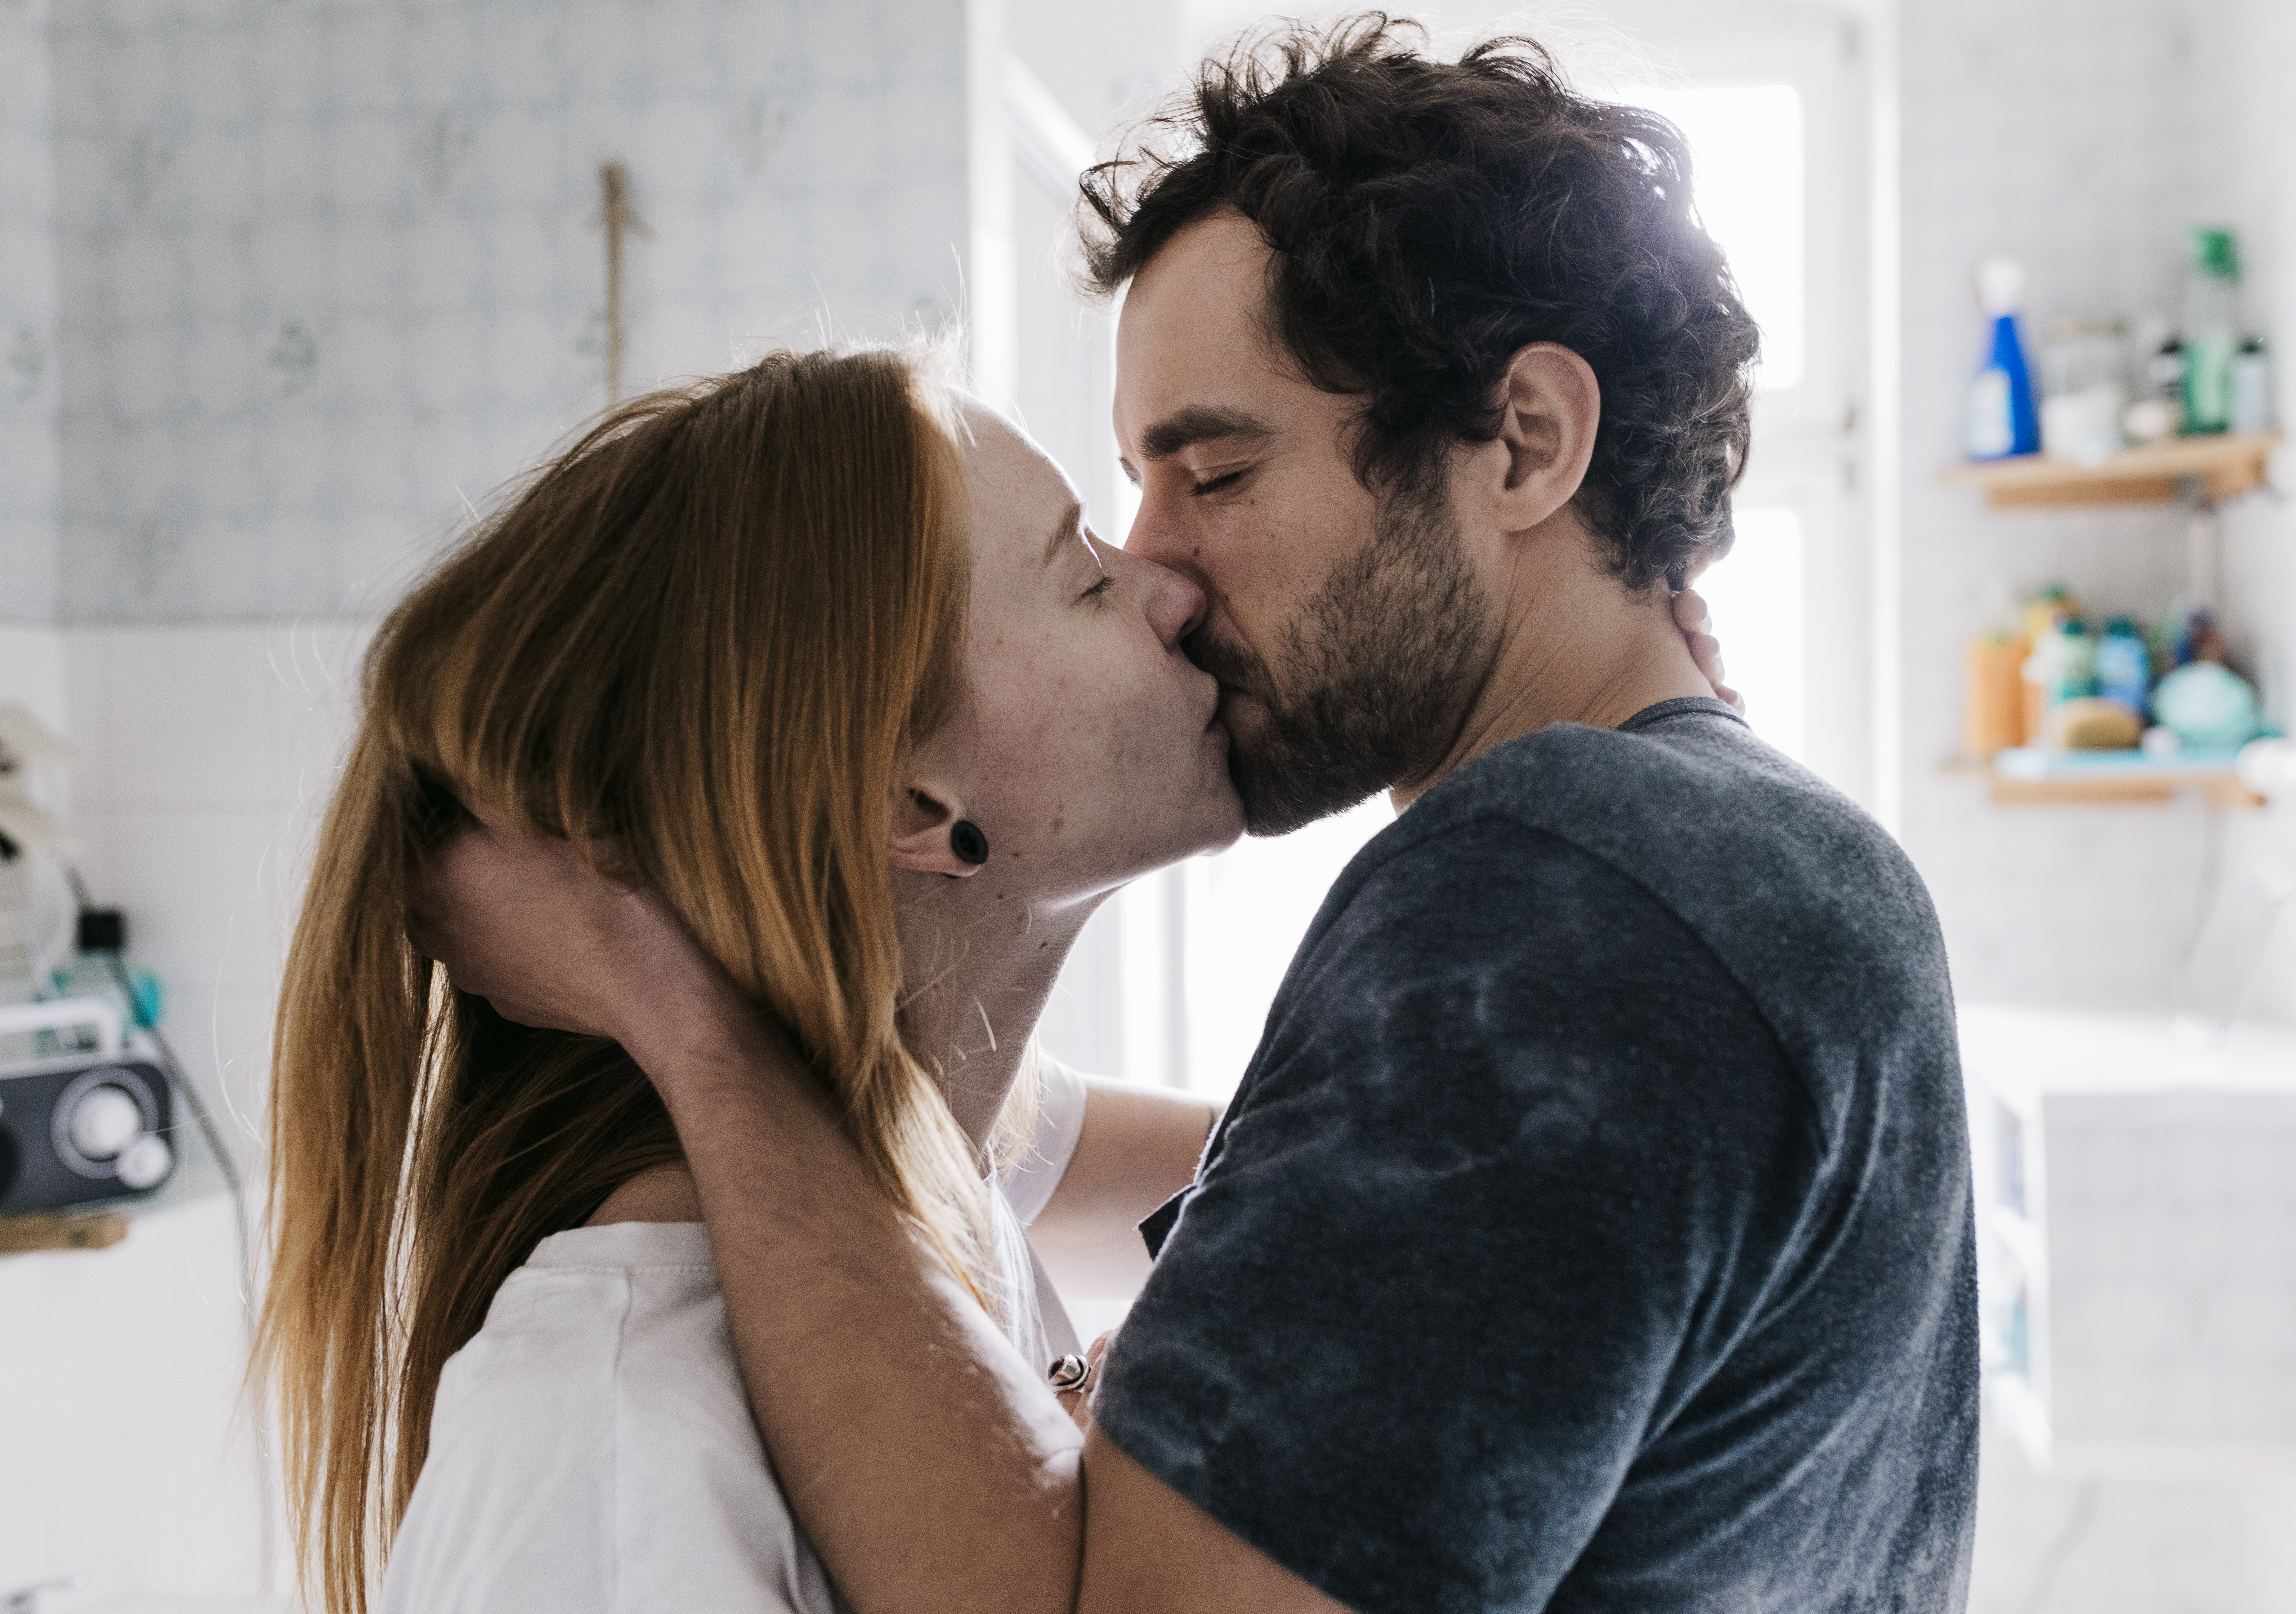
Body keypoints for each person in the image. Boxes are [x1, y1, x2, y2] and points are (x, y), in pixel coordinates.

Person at [412, 17, 1978, 1614]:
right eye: (1117, 512)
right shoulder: (1731, 853)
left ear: (1524, 443)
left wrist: (680, 1003)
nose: (1161, 566)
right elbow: (1201, 1173)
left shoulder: (1560, 885)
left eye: (1215, 475)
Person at [253, 346, 1273, 1614]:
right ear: (911, 796)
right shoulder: (615, 1446)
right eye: (1082, 575)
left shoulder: (922, 1146)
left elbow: (1291, 1177)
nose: (1169, 589)